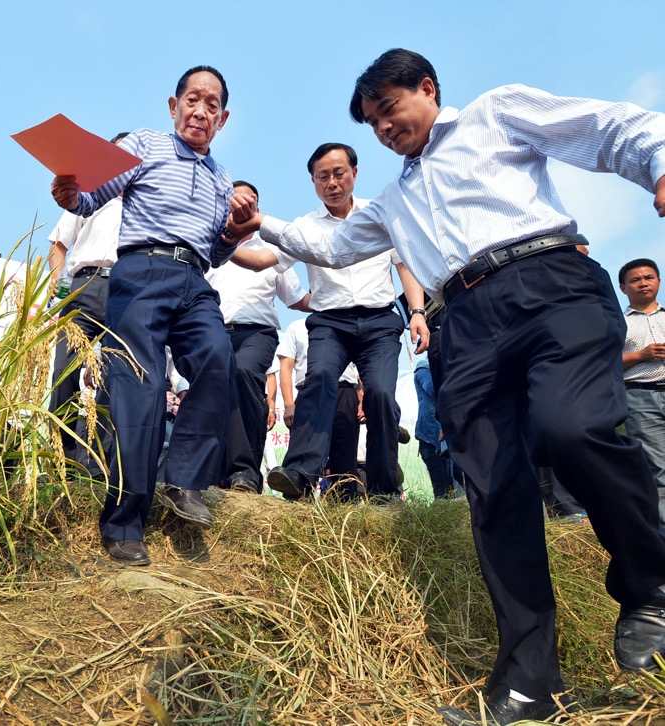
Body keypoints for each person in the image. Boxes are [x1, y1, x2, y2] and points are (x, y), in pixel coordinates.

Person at [227, 48, 665, 725]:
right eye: (372, 122)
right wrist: (265, 227)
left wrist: (659, 162)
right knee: (496, 492)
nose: (383, 129)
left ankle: (649, 584)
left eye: (389, 110)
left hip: (548, 284)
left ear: (427, 88)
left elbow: (609, 129)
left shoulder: (497, 114)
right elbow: (336, 249)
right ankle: (529, 687)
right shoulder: (395, 199)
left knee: (571, 426)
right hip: (462, 323)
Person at [50, 66, 242, 567]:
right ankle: (123, 522)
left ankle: (183, 479)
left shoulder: (223, 178)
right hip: (139, 273)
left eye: (212, 105)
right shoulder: (145, 145)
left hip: (196, 281)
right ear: (173, 105)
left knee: (220, 358)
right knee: (141, 389)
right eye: (192, 100)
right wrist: (72, 195)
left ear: (223, 119)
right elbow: (92, 196)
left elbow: (217, 252)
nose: (201, 111)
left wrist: (235, 234)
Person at [239, 142, 429, 501]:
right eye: (323, 176)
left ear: (355, 173)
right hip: (329, 324)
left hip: (379, 322)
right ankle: (299, 473)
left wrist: (417, 312)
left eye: (339, 174)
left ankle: (385, 488)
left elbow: (404, 265)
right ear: (313, 181)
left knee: (381, 395)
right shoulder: (304, 227)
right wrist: (224, 245)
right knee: (320, 380)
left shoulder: (378, 214)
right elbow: (263, 260)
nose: (332, 183)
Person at [205, 180, 310, 493]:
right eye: (235, 201)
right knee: (214, 393)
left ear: (257, 210)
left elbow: (296, 298)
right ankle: (214, 474)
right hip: (214, 331)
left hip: (258, 333)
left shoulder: (271, 250)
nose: (241, 208)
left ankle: (245, 473)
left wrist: (332, 298)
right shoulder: (210, 246)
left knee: (244, 373)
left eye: (249, 203)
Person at [46, 132, 130, 478]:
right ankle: (61, 459)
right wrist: (57, 280)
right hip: (85, 284)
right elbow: (59, 243)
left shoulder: (145, 201)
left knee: (114, 376)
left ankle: (95, 465)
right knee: (64, 370)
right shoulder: (89, 195)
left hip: (127, 290)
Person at [276, 318, 362, 499]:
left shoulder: (348, 322)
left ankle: (343, 505)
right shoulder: (296, 326)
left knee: (345, 456)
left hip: (345, 391)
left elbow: (364, 365)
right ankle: (298, 501)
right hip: (311, 391)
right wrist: (289, 404)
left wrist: (362, 396)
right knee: (305, 449)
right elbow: (286, 366)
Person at [619, 258, 665, 522]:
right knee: (658, 469)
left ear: (658, 281)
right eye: (635, 280)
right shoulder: (619, 325)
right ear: (623, 288)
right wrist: (641, 355)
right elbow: (607, 365)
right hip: (639, 396)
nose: (643, 283)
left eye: (648, 277)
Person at [412, 358, 448, 499]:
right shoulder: (424, 368)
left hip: (451, 437)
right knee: (441, 490)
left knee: (458, 486)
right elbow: (433, 389)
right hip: (431, 439)